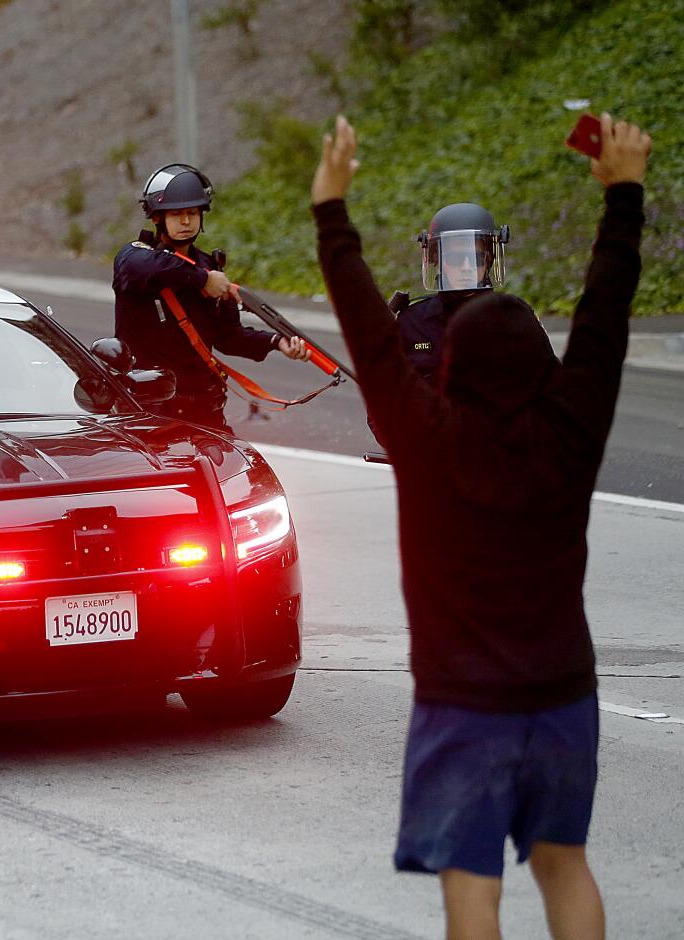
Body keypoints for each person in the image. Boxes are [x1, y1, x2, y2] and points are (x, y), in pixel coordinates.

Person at [310, 113, 650, 939]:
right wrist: (623, 197)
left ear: (448, 369)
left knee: (473, 886)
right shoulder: (571, 434)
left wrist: (333, 209)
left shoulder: (429, 443)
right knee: (565, 866)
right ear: (545, 368)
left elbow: (368, 334)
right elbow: (604, 319)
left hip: (463, 704)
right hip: (564, 695)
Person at [113, 163, 310, 432]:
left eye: (192, 213)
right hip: (148, 408)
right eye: (176, 214)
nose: (186, 221)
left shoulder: (210, 267)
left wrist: (276, 342)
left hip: (203, 408)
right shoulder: (135, 257)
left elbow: (229, 337)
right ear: (157, 217)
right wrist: (203, 279)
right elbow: (153, 266)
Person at [396, 202, 524, 386]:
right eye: (455, 258)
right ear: (436, 260)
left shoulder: (515, 319)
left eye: (476, 258)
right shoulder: (412, 323)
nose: (466, 267)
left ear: (489, 261)